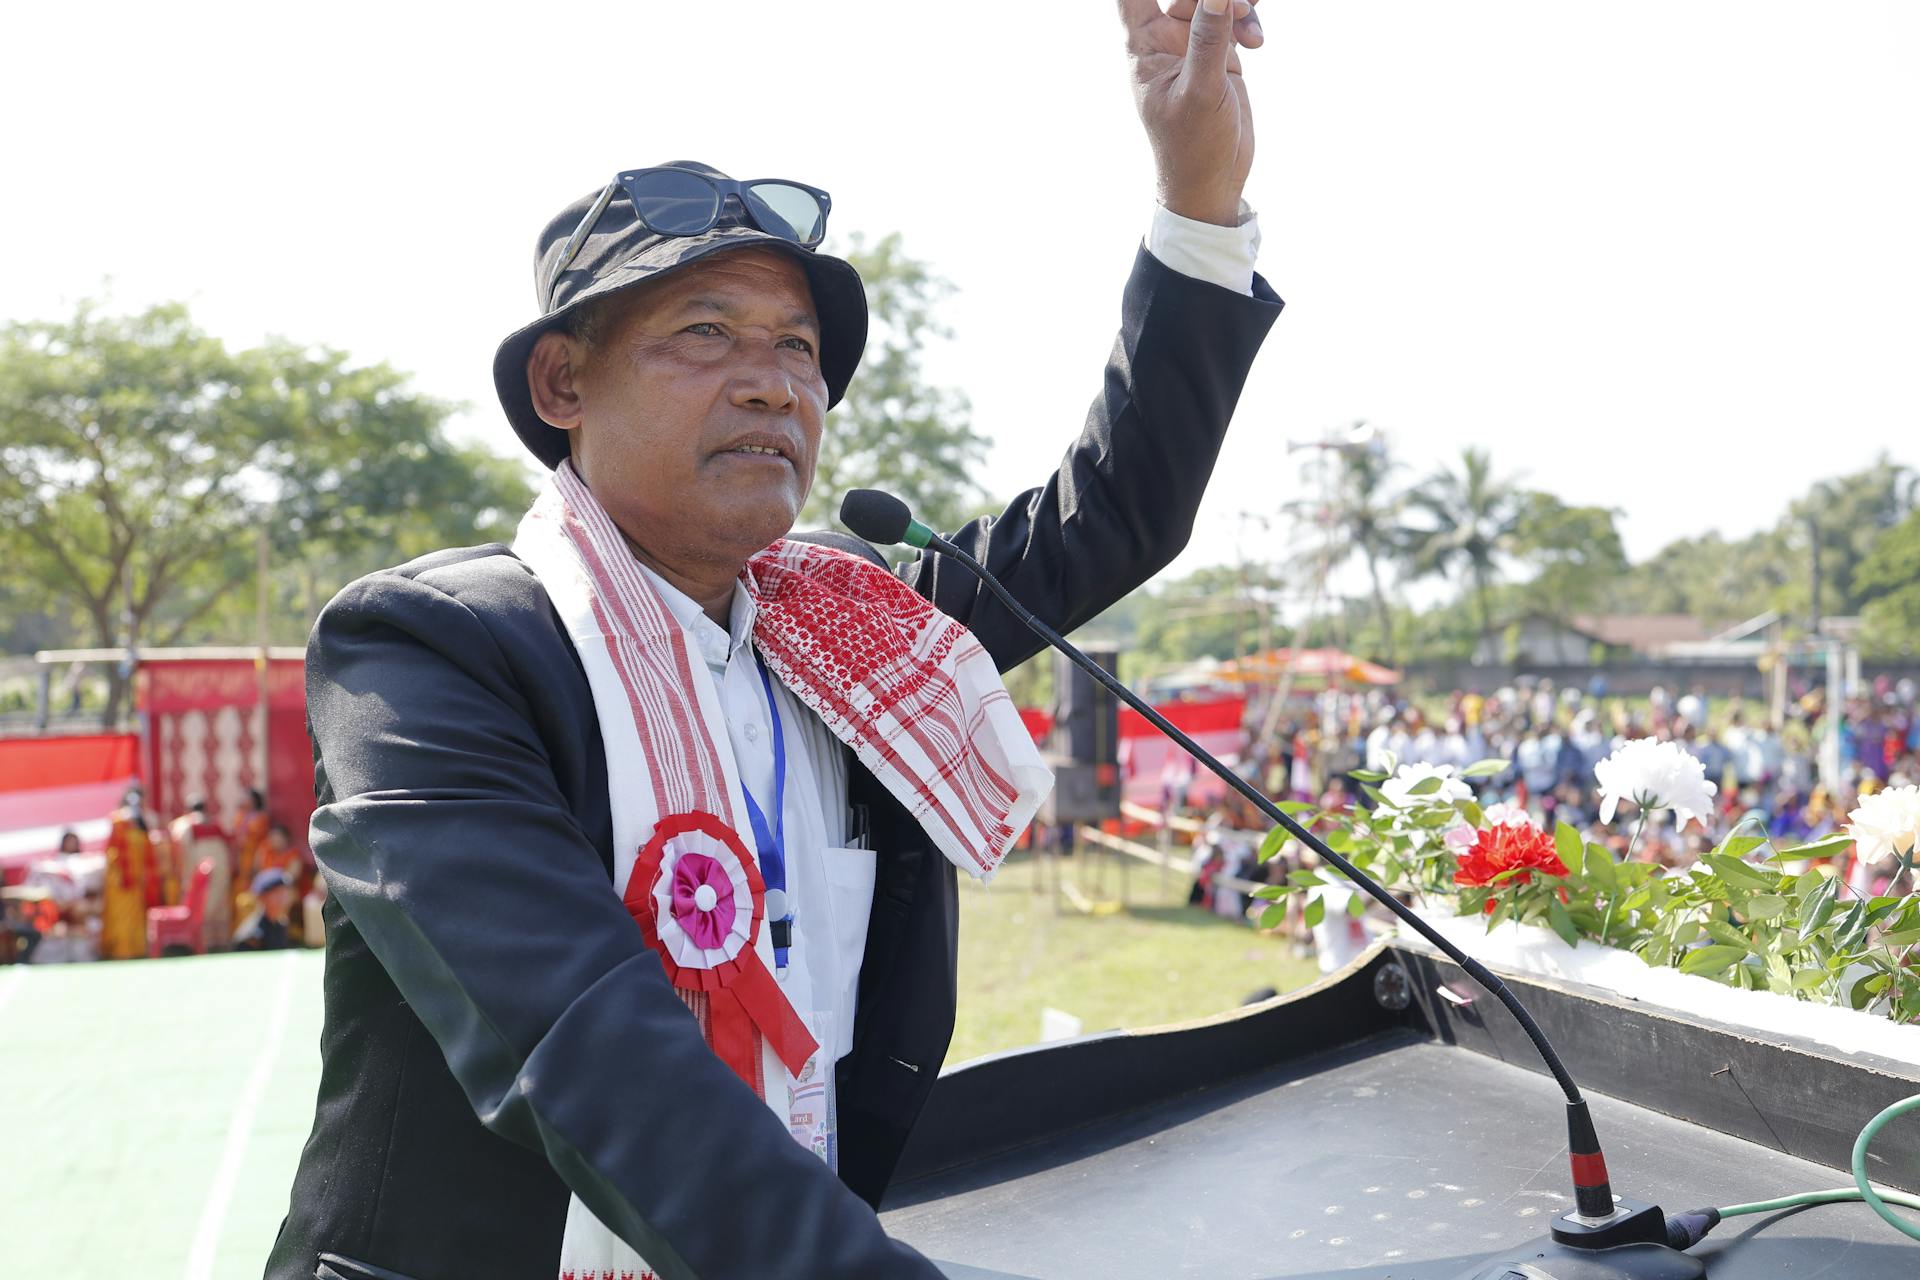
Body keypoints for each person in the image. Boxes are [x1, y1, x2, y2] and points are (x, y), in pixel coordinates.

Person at [266, 6, 1280, 1278]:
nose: (774, 382)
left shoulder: (852, 635)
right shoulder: (431, 651)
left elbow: (1115, 509)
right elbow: (581, 1037)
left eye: (799, 347)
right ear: (563, 387)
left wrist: (1198, 195)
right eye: (706, 332)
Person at [169, 798, 235, 952]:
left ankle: (200, 942)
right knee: (219, 902)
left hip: (199, 865)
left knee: (202, 903)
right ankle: (220, 941)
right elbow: (230, 842)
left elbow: (180, 845)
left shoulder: (184, 824)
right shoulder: (216, 822)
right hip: (221, 865)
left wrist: (183, 872)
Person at [99, 788, 154, 961]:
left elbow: (147, 855)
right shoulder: (117, 821)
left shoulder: (141, 823)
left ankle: (135, 949)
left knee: (134, 915)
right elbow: (111, 851)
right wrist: (120, 872)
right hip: (119, 880)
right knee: (120, 915)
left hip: (136, 879)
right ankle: (120, 950)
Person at [232, 868, 294, 951]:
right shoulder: (252, 935)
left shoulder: (280, 925)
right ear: (262, 897)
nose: (283, 898)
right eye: (277, 893)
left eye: (285, 893)